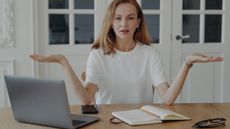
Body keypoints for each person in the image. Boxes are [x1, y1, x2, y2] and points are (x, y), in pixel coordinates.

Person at [30, 0, 223, 105]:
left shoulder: (150, 54)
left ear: (138, 22)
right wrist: (63, 62)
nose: (124, 24)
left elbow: (168, 99)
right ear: (111, 22)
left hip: (143, 124)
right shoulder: (97, 55)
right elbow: (86, 99)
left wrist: (187, 63)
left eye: (130, 18)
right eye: (118, 18)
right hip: (107, 123)